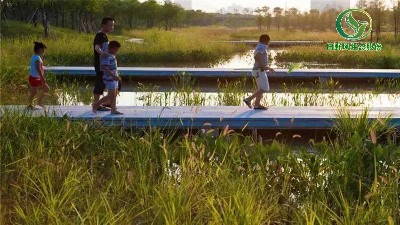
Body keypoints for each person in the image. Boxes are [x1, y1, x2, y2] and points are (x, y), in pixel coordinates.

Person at [93, 17, 121, 111]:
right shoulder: (100, 36)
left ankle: (108, 103)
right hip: (101, 65)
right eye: (109, 25)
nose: (111, 27)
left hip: (106, 64)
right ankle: (96, 105)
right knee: (99, 85)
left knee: (115, 83)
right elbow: (97, 47)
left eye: (112, 25)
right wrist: (102, 53)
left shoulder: (105, 35)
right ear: (103, 25)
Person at [243, 34, 275, 110]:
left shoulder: (259, 46)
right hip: (259, 71)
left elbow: (257, 56)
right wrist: (265, 67)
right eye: (269, 41)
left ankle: (257, 105)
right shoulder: (262, 47)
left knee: (260, 89)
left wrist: (265, 67)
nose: (269, 43)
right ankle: (248, 99)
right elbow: (256, 56)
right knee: (265, 88)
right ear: (266, 40)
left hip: (257, 71)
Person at [92, 41, 123, 115]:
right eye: (116, 50)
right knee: (111, 95)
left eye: (117, 50)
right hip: (109, 78)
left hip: (114, 78)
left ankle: (113, 110)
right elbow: (104, 67)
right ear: (110, 48)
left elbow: (113, 68)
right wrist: (113, 75)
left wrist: (116, 75)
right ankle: (96, 105)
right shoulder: (107, 56)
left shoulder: (112, 56)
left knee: (114, 94)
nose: (117, 51)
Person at [27, 41, 50, 110]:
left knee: (45, 89)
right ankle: (30, 104)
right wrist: (42, 78)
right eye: (43, 49)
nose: (44, 51)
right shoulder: (37, 58)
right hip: (35, 78)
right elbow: (38, 68)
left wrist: (42, 61)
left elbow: (38, 66)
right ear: (39, 49)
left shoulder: (35, 57)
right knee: (34, 92)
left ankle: (38, 102)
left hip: (35, 77)